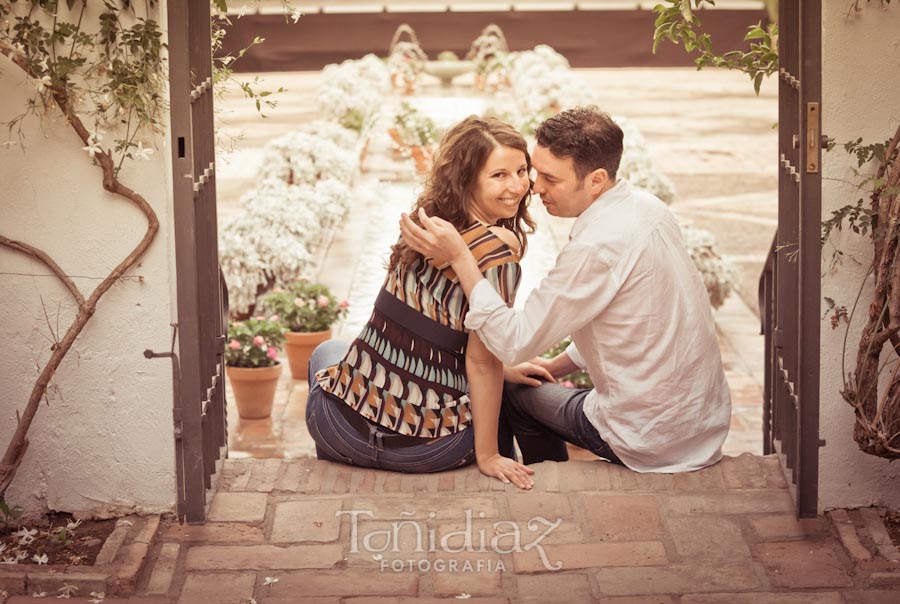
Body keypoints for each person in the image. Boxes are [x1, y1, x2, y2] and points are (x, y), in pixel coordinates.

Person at [399, 106, 731, 473]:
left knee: (511, 392)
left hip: (647, 437)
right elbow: (633, 324)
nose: (534, 187)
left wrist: (461, 257)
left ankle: (545, 478)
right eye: (535, 171)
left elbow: (512, 343)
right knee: (527, 376)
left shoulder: (596, 247)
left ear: (596, 180)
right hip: (701, 424)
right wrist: (556, 364)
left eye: (550, 179)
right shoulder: (649, 209)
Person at [306, 116, 540, 489]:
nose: (517, 186)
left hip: (337, 430)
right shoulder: (499, 252)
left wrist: (502, 367)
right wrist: (489, 455)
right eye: (499, 175)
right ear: (466, 181)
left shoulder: (424, 225)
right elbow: (481, 361)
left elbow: (410, 325)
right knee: (489, 388)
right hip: (427, 449)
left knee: (328, 351)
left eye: (522, 170)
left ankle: (341, 467)